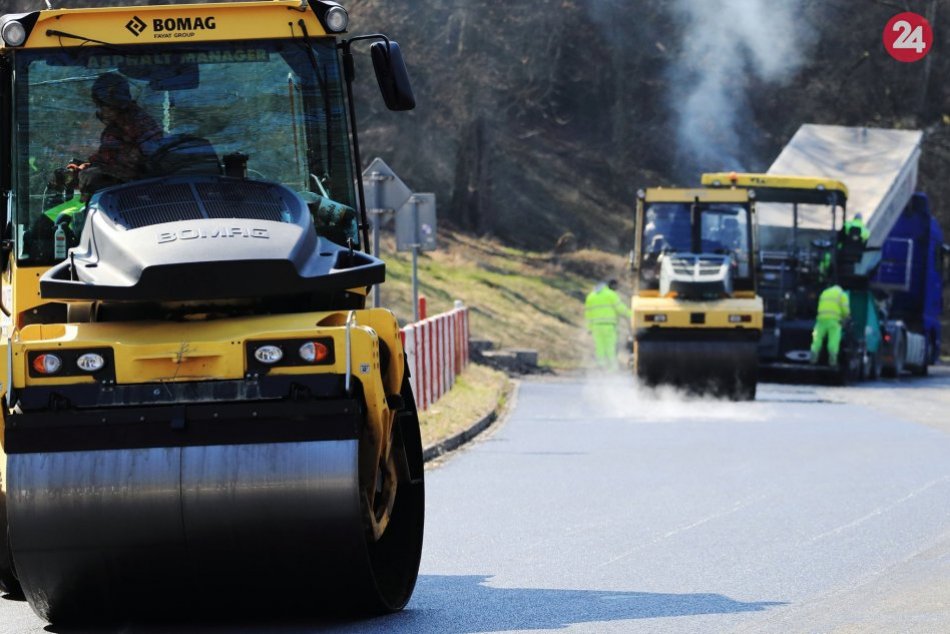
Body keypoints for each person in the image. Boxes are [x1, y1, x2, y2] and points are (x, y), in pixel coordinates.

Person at [70, 72, 163, 201]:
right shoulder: (122, 124)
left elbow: (136, 168)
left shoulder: (135, 125)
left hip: (133, 197)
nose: (102, 111)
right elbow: (109, 160)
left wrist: (95, 172)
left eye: (104, 105)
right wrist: (80, 170)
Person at [585, 278, 631, 371]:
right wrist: (633, 314)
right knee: (610, 348)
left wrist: (589, 328)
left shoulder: (590, 296)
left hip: (596, 327)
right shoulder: (611, 295)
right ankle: (612, 369)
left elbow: (588, 314)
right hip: (609, 326)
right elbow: (620, 308)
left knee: (600, 348)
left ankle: (601, 367)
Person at [810, 283, 850, 366]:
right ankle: (832, 360)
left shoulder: (825, 292)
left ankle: (814, 356)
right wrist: (846, 318)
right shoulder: (842, 294)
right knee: (833, 339)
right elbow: (845, 310)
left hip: (821, 319)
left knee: (817, 338)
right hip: (834, 321)